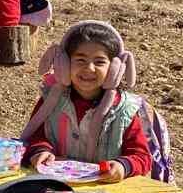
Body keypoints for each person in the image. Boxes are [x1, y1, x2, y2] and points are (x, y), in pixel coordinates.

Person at [21, 21, 152, 177]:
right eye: (80, 60)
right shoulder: (50, 101)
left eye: (99, 62)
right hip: (56, 185)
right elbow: (36, 137)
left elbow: (142, 157)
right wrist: (40, 151)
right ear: (64, 63)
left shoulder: (123, 110)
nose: (89, 68)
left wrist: (122, 166)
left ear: (114, 69)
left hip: (104, 191)